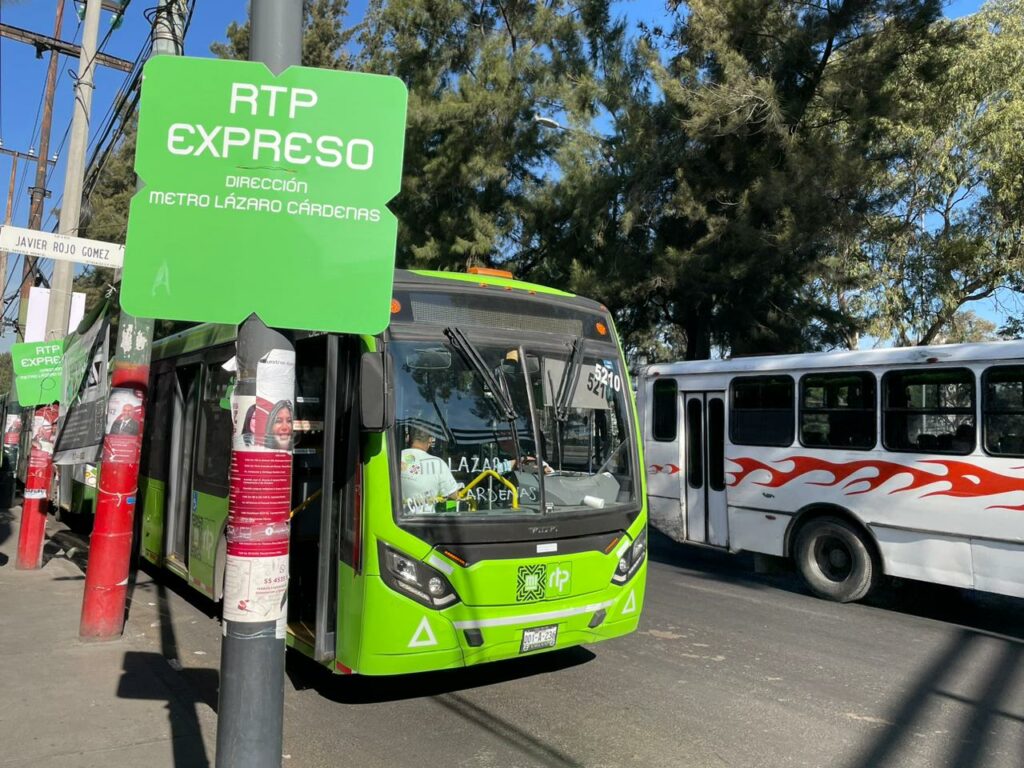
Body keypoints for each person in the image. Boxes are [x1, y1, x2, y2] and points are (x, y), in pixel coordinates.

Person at [400, 425, 461, 514]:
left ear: (409, 438)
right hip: (426, 522)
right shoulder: (438, 463)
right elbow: (453, 495)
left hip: (394, 520)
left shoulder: (394, 458)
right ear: (430, 441)